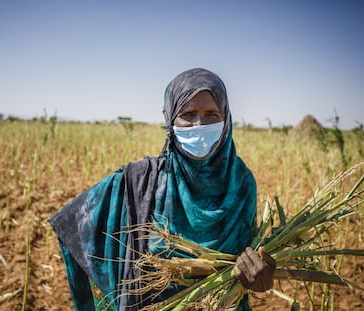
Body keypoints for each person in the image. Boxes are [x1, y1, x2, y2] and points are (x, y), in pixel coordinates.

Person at [49, 68, 276, 311]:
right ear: (170, 121)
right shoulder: (141, 182)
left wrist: (259, 277)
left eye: (211, 114)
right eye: (188, 114)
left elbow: (247, 260)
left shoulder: (241, 184)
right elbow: (72, 222)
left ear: (226, 118)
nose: (199, 125)